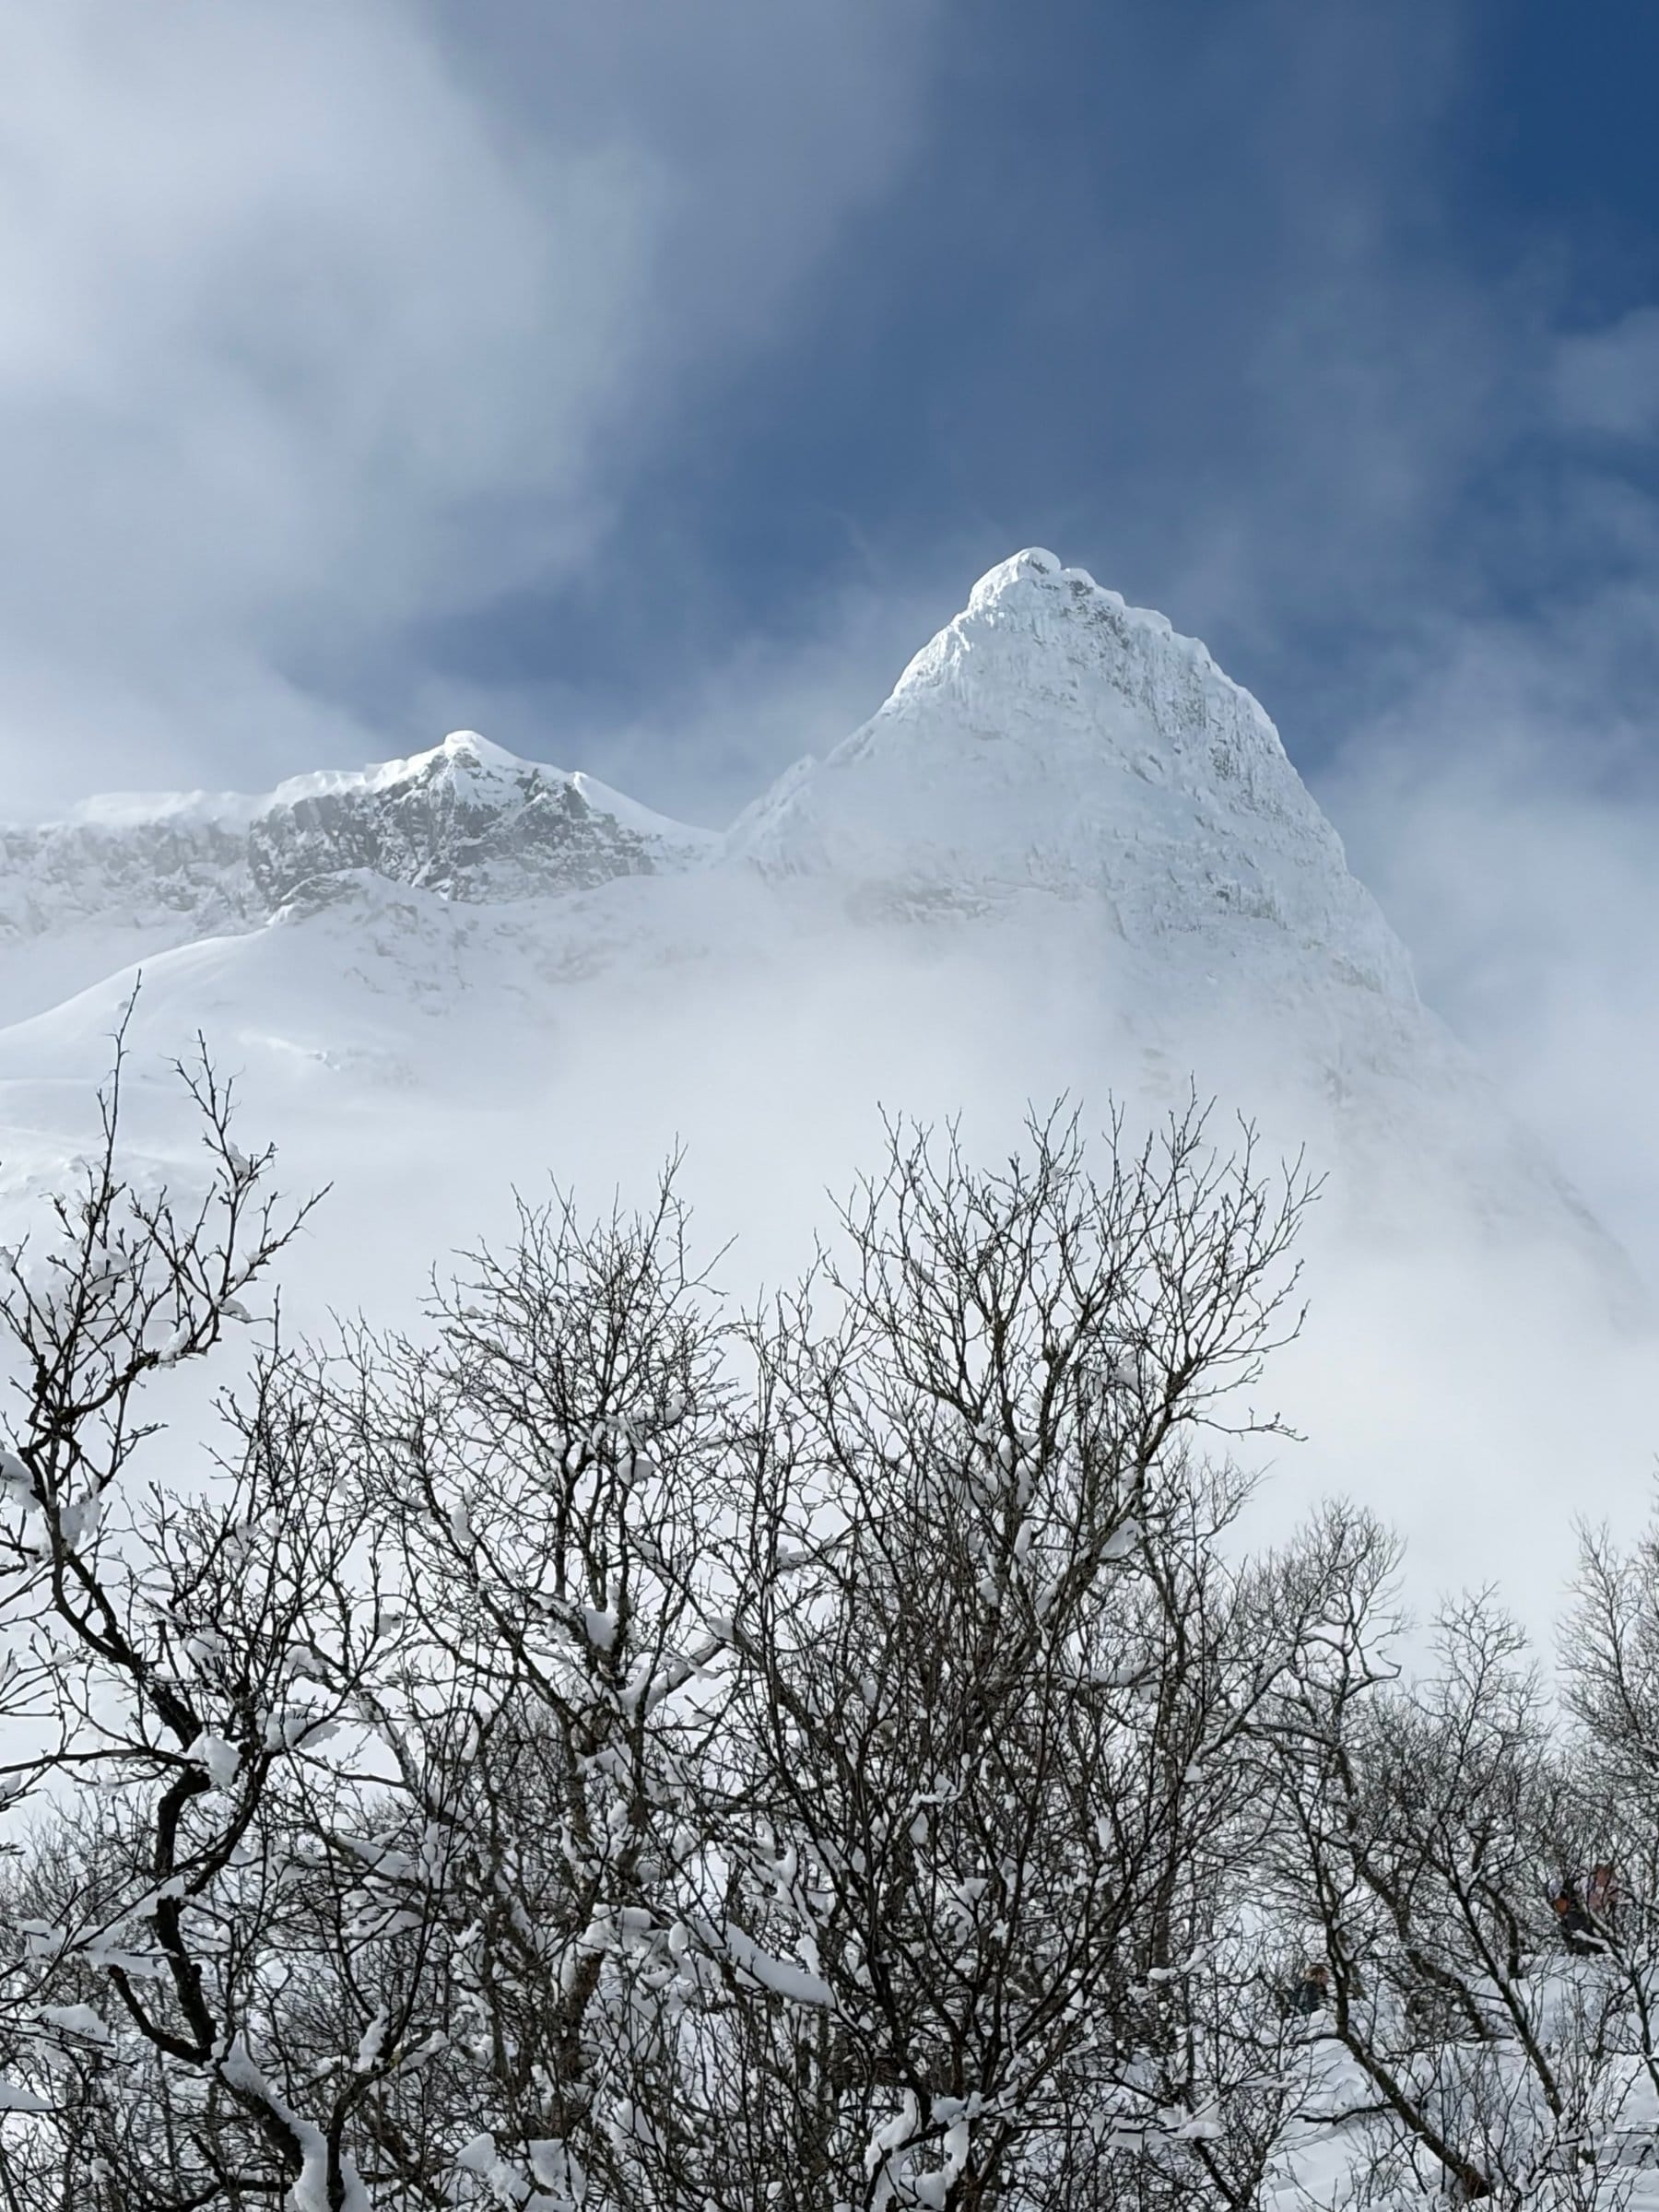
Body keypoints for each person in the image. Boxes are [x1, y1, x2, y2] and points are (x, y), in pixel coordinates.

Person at [1551, 1881, 1602, 1957]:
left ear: (1567, 1901)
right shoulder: (1566, 1918)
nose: (1559, 1907)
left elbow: (1581, 1943)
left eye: (1561, 1903)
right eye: (1556, 1905)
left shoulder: (1573, 1916)